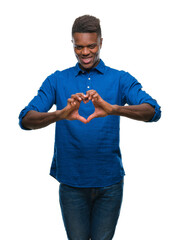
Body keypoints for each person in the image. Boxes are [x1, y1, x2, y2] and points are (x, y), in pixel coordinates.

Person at [19, 15, 161, 240]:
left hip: (110, 184)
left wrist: (114, 109)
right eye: (79, 47)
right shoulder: (57, 80)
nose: (85, 52)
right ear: (73, 45)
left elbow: (153, 111)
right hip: (72, 184)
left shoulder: (120, 79)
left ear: (101, 43)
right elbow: (25, 119)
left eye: (91, 46)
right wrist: (60, 114)